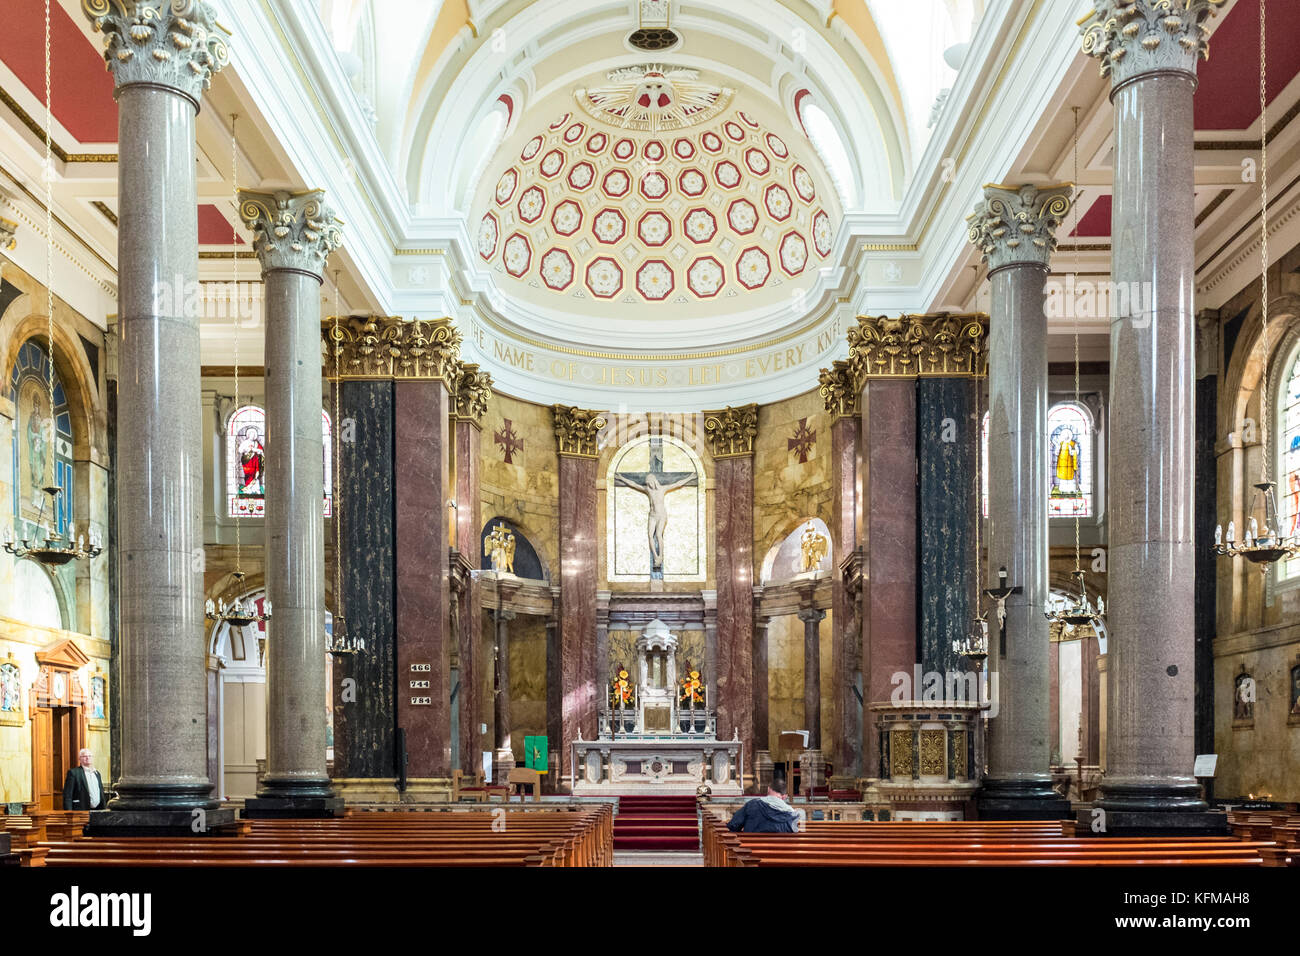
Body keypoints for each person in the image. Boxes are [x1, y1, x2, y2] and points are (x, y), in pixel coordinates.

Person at [726, 771, 804, 833]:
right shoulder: (792, 814)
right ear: (784, 796)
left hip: (751, 850)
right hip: (782, 852)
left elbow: (733, 825)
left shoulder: (752, 805)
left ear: (768, 789)